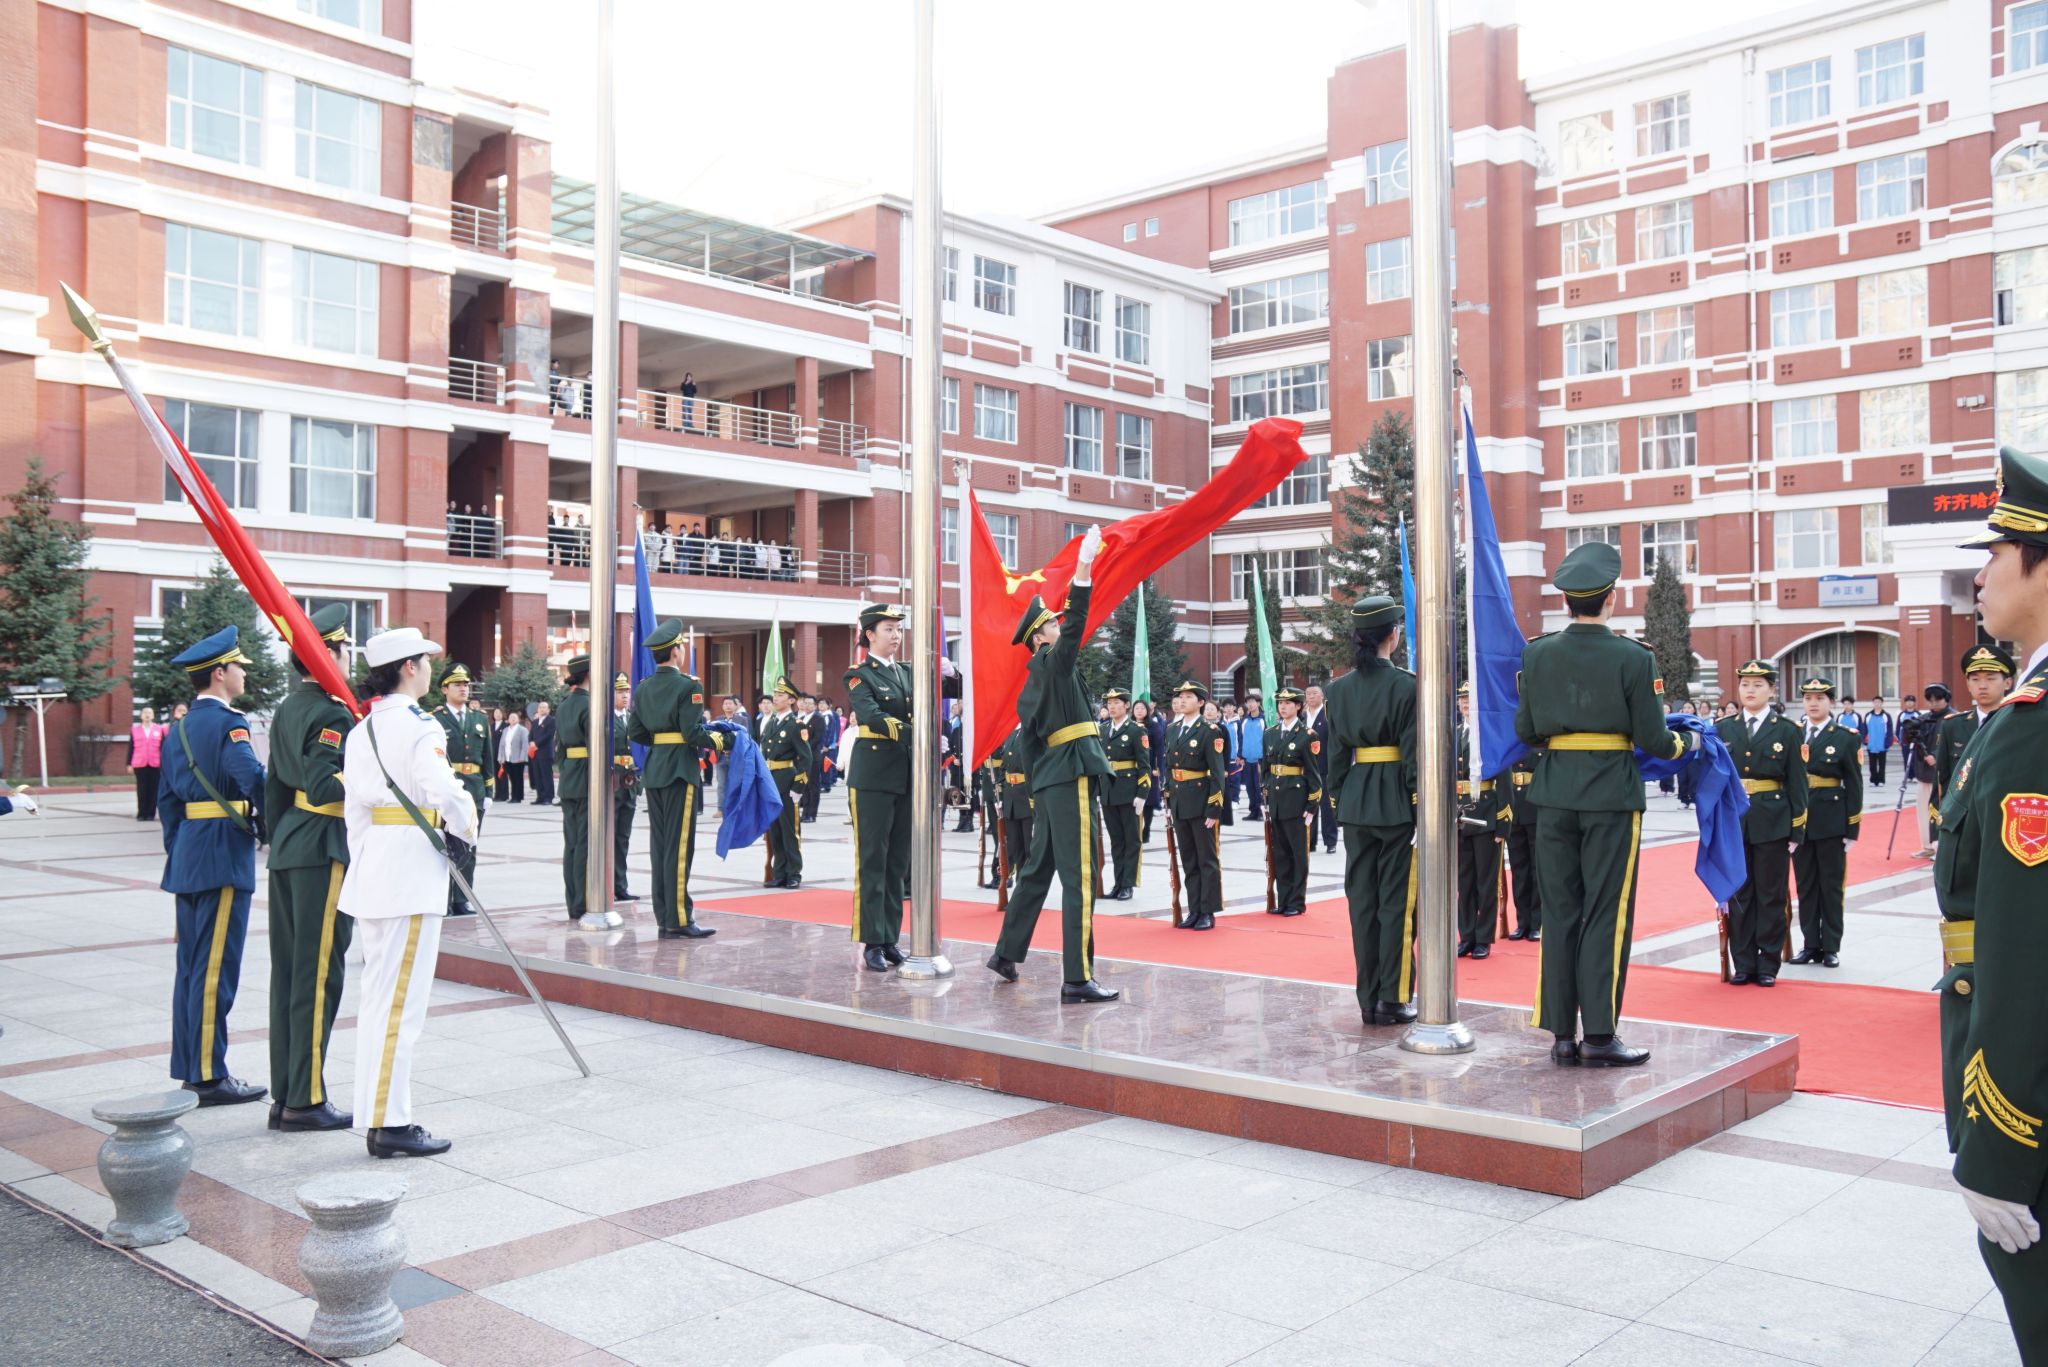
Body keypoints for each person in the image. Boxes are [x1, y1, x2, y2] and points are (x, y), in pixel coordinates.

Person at [1929, 447, 2048, 1359]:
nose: (1980, 575)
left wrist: (2001, 1145)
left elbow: (2021, 949)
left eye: (1998, 552)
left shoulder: (2030, 733)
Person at [1515, 544, 1692, 1065]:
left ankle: (1560, 1035)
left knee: (1560, 913)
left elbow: (1527, 730)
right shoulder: (1635, 657)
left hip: (1552, 794)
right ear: (1610, 598)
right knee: (1604, 913)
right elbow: (1654, 738)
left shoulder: (1537, 654)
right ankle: (1597, 1036)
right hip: (1611, 795)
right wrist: (1686, 745)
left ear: (1566, 601)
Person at [341, 627, 478, 1159]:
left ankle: (381, 1115)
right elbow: (444, 790)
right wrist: (466, 829)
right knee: (401, 1006)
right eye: (425, 660)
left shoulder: (363, 730)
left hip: (377, 867)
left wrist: (367, 863)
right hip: (409, 873)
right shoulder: (420, 726)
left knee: (380, 1000)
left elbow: (355, 814)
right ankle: (390, 1123)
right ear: (408, 667)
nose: (429, 669)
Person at [986, 531, 1119, 1002]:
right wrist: (1083, 570)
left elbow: (1029, 745)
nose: (1060, 627)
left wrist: (1039, 784)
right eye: (1052, 624)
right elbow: (1078, 621)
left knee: (1037, 870)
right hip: (1071, 774)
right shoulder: (1052, 664)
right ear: (1040, 637)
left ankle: (1006, 952)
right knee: (1080, 874)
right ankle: (1077, 977)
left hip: (1051, 781)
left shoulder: (1038, 678)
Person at [158, 625, 268, 1107]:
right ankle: (207, 1075)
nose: (243, 672)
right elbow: (252, 778)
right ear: (220, 673)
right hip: (222, 854)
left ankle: (191, 1066)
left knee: (191, 968)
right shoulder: (229, 724)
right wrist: (275, 824)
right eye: (239, 666)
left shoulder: (179, 728)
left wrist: (180, 852)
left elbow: (167, 803)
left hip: (189, 854)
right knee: (214, 970)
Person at [260, 604, 356, 1133]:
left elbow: (274, 785)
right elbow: (323, 787)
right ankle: (306, 1099)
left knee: (289, 974)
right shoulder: (331, 713)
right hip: (322, 848)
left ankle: (286, 1093)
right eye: (343, 650)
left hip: (291, 846)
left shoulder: (288, 707)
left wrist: (281, 839)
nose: (347, 658)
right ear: (328, 654)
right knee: (318, 976)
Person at [845, 602, 959, 969]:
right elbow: (874, 717)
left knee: (897, 862)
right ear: (870, 635)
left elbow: (957, 689)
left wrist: (952, 671)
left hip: (906, 775)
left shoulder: (909, 671)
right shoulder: (859, 676)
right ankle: (872, 941)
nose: (896, 635)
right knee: (872, 860)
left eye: (898, 629)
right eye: (888, 629)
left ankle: (890, 938)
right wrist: (923, 735)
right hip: (873, 777)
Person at [1327, 598, 1418, 1026]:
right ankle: (1392, 998)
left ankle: (1368, 998)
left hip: (1357, 799)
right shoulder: (1407, 686)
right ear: (1393, 635)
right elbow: (1414, 755)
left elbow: (1335, 757)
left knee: (1362, 903)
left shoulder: (1338, 690)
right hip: (1397, 800)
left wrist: (1340, 799)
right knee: (1395, 903)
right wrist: (1419, 805)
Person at [628, 620, 729, 939]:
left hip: (656, 769)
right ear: (675, 651)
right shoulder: (689, 686)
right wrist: (723, 740)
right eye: (682, 647)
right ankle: (680, 918)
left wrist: (661, 741)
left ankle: (664, 916)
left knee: (660, 848)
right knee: (680, 846)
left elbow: (635, 732)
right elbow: (692, 733)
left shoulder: (643, 687)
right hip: (679, 771)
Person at [1716, 660, 1809, 987]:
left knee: (1771, 894)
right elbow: (1714, 779)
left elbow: (1798, 783)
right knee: (1740, 894)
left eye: (1758, 685)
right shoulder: (1724, 728)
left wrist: (1797, 829)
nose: (1750, 690)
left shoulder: (1787, 730)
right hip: (1735, 822)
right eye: (1745, 685)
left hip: (1773, 821)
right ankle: (1743, 963)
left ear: (1771, 690)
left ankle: (1768, 963)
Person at [1788, 676, 1863, 970]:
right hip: (1800, 821)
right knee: (1805, 885)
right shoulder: (1793, 733)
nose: (1813, 704)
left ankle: (1831, 946)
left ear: (1831, 702)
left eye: (1819, 698)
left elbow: (1854, 785)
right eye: (1808, 698)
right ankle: (1810, 944)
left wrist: (1852, 828)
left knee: (1831, 887)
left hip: (1831, 820)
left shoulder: (1845, 737)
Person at [1165, 681, 1226, 930]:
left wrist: (1214, 807)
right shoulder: (1173, 729)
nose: (1182, 700)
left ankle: (1208, 911)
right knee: (1188, 859)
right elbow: (1169, 766)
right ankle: (1194, 909)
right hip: (1180, 801)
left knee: (1206, 859)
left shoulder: (1209, 731)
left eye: (1188, 697)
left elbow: (1217, 773)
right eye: (1180, 697)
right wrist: (1168, 796)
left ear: (1201, 702)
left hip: (1201, 802)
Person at [1455, 682, 1509, 960]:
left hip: (1486, 816)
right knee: (1464, 882)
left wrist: (1503, 822)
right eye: (1462, 699)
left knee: (1485, 882)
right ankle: (1466, 935)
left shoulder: (1489, 734)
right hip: (1460, 817)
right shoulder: (1454, 733)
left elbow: (1504, 781)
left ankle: (1484, 938)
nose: (1465, 703)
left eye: (1469, 699)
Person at [1935, 647, 2017, 829]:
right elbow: (1941, 780)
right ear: (1968, 685)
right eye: (1975, 679)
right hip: (1961, 822)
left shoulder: (2020, 724)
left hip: (2003, 821)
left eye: (1990, 678)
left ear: (2008, 683)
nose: (1982, 685)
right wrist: (1938, 826)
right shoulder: (1952, 726)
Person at [435, 665, 491, 915]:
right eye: (457, 684)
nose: (463, 688)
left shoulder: (480, 719)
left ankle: (462, 898)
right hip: (448, 789)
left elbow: (488, 757)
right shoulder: (436, 719)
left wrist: (488, 791)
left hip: (474, 789)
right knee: (446, 844)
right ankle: (443, 898)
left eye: (466, 684)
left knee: (470, 845)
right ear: (444, 689)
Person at [1261, 687, 1318, 917]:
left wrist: (1312, 805)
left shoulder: (1307, 735)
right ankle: (1283, 899)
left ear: (1298, 706)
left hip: (1296, 800)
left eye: (1288, 703)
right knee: (1281, 853)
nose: (1283, 707)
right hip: (1276, 800)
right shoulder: (1271, 733)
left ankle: (1296, 901)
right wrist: (1266, 792)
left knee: (1298, 854)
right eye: (1280, 703)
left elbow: (1314, 774)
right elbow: (1266, 768)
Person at [1098, 687, 1150, 899]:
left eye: (1116, 703)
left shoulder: (1136, 730)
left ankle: (1128, 883)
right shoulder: (1103, 729)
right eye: (1109, 703)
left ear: (1126, 705)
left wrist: (1142, 793)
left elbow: (1144, 765)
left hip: (1129, 792)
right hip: (1108, 791)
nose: (1111, 707)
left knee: (1131, 839)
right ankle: (1118, 883)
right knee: (1116, 840)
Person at [759, 676, 811, 889]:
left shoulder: (795, 725)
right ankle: (779, 872)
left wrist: (798, 786)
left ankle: (793, 872)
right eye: (775, 694)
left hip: (787, 780)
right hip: (770, 781)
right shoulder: (771, 722)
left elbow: (806, 758)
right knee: (775, 830)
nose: (775, 698)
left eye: (780, 695)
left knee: (790, 830)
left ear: (791, 700)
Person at [556, 654, 595, 920]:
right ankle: (582, 902)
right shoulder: (590, 705)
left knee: (571, 844)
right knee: (583, 844)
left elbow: (559, 750)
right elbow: (596, 747)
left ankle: (573, 902)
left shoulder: (563, 706)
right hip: (586, 779)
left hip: (569, 778)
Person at [1905, 683, 1953, 857]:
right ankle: (1927, 846)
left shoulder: (1953, 719)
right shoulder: (1923, 719)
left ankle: (1941, 847)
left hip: (1943, 774)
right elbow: (1911, 741)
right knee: (1923, 810)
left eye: (1937, 700)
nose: (1933, 704)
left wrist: (1936, 756)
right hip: (1923, 772)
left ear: (1946, 699)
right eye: (1930, 701)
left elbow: (1956, 744)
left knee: (1940, 811)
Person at [1503, 749, 1541, 940]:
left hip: (1536, 806)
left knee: (1537, 868)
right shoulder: (1510, 741)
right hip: (1514, 807)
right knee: (1519, 870)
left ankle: (1537, 922)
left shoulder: (1541, 741)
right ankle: (1522, 922)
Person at [609, 674, 639, 901]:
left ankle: (621, 885)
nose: (625, 696)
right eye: (620, 692)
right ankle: (607, 884)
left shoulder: (632, 718)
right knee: (610, 836)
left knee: (623, 837)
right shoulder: (607, 719)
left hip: (629, 782)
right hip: (613, 780)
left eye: (627, 692)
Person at [1304, 682, 1337, 853]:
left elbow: (1335, 741)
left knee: (1327, 806)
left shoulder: (1328, 715)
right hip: (1306, 768)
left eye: (1315, 693)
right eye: (1308, 694)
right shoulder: (1302, 717)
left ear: (1322, 695)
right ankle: (1310, 841)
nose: (1311, 696)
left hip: (1325, 767)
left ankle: (1330, 841)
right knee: (1309, 805)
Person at [130, 706, 167, 821]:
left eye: (149, 713)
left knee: (153, 789)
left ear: (153, 715)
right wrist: (128, 763)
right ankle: (141, 813)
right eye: (145, 713)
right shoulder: (135, 730)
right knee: (141, 789)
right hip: (140, 763)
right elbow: (131, 748)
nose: (147, 715)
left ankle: (151, 813)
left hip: (155, 764)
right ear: (141, 715)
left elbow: (163, 748)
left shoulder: (159, 729)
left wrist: (164, 763)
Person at [796, 693, 826, 824]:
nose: (806, 705)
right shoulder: (802, 718)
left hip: (813, 757)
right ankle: (805, 813)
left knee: (813, 786)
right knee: (805, 786)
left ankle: (812, 814)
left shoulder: (818, 718)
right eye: (805, 703)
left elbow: (817, 738)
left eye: (809, 703)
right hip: (802, 757)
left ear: (815, 706)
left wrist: (804, 748)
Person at [1236, 698, 1266, 821]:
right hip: (1247, 760)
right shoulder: (1244, 720)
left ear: (1258, 703)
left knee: (1260, 787)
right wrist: (1240, 755)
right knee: (1250, 787)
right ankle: (1253, 811)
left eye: (1253, 702)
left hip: (1260, 760)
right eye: (1248, 702)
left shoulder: (1264, 720)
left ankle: (1261, 812)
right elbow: (1240, 738)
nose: (1250, 704)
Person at [498, 709, 529, 803]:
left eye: (515, 717)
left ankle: (518, 797)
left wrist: (522, 757)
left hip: (518, 758)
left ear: (518, 719)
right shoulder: (506, 730)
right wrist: (501, 757)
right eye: (511, 717)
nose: (513, 719)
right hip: (507, 757)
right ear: (508, 720)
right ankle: (513, 796)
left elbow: (525, 744)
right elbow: (502, 744)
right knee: (511, 778)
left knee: (518, 778)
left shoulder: (522, 730)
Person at [529, 699, 557, 805]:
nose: (542, 709)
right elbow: (531, 734)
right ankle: (540, 796)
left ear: (548, 710)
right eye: (540, 707)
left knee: (546, 776)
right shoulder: (535, 722)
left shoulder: (551, 720)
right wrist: (531, 742)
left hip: (545, 752)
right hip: (535, 753)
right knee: (537, 775)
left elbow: (549, 735)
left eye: (544, 707)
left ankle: (548, 797)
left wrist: (536, 743)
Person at [1866, 695, 1895, 787]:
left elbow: (1890, 730)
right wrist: (1865, 741)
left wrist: (1888, 743)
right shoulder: (1868, 715)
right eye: (1875, 702)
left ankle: (1881, 780)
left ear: (1882, 703)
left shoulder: (1886, 716)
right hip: (1871, 744)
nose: (1877, 704)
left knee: (1882, 764)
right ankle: (1873, 780)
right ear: (1873, 703)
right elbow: (1864, 729)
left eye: (1879, 702)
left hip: (1882, 744)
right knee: (1872, 764)